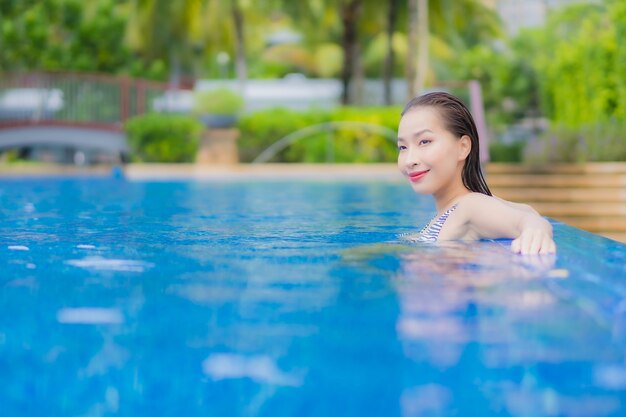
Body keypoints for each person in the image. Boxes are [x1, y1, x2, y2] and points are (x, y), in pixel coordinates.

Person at [397, 91, 556, 255]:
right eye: (402, 147)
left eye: (424, 141)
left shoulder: (469, 206)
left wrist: (536, 231)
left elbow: (530, 221)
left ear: (463, 147)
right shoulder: (451, 210)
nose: (409, 160)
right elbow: (526, 210)